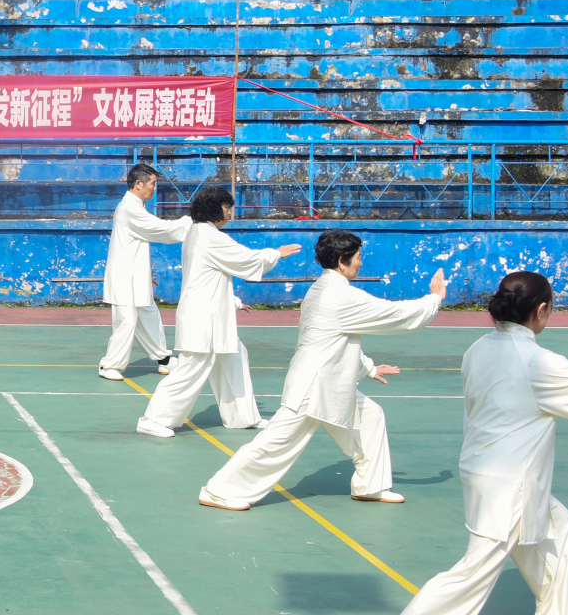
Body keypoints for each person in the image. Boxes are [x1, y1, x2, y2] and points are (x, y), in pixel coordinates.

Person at [372, 272, 568, 615]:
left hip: (485, 467)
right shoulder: (538, 363)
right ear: (541, 310)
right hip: (512, 478)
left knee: (557, 528)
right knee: (480, 562)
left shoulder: (479, 347)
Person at [198, 230, 446, 511]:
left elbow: (338, 337)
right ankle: (219, 490)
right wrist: (434, 299)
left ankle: (371, 485)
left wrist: (367, 367)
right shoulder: (339, 294)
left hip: (330, 380)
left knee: (371, 416)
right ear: (342, 260)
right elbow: (394, 314)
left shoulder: (323, 288)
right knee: (277, 442)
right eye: (358, 258)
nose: (361, 263)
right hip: (314, 383)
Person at [135, 185, 299, 438]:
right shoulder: (209, 236)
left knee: (234, 356)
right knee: (193, 367)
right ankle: (153, 418)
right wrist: (275, 253)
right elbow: (246, 260)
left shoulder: (198, 233)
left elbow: (211, 276)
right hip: (204, 316)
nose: (230, 212)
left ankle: (241, 417)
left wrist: (233, 301)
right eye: (226, 207)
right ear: (214, 209)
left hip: (211, 312)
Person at [98, 164, 190, 381]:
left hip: (134, 274)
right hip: (124, 277)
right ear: (138, 184)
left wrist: (145, 273)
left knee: (148, 313)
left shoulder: (136, 206)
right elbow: (160, 229)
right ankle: (109, 365)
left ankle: (164, 360)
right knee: (127, 320)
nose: (155, 188)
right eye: (152, 183)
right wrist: (190, 220)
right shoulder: (130, 208)